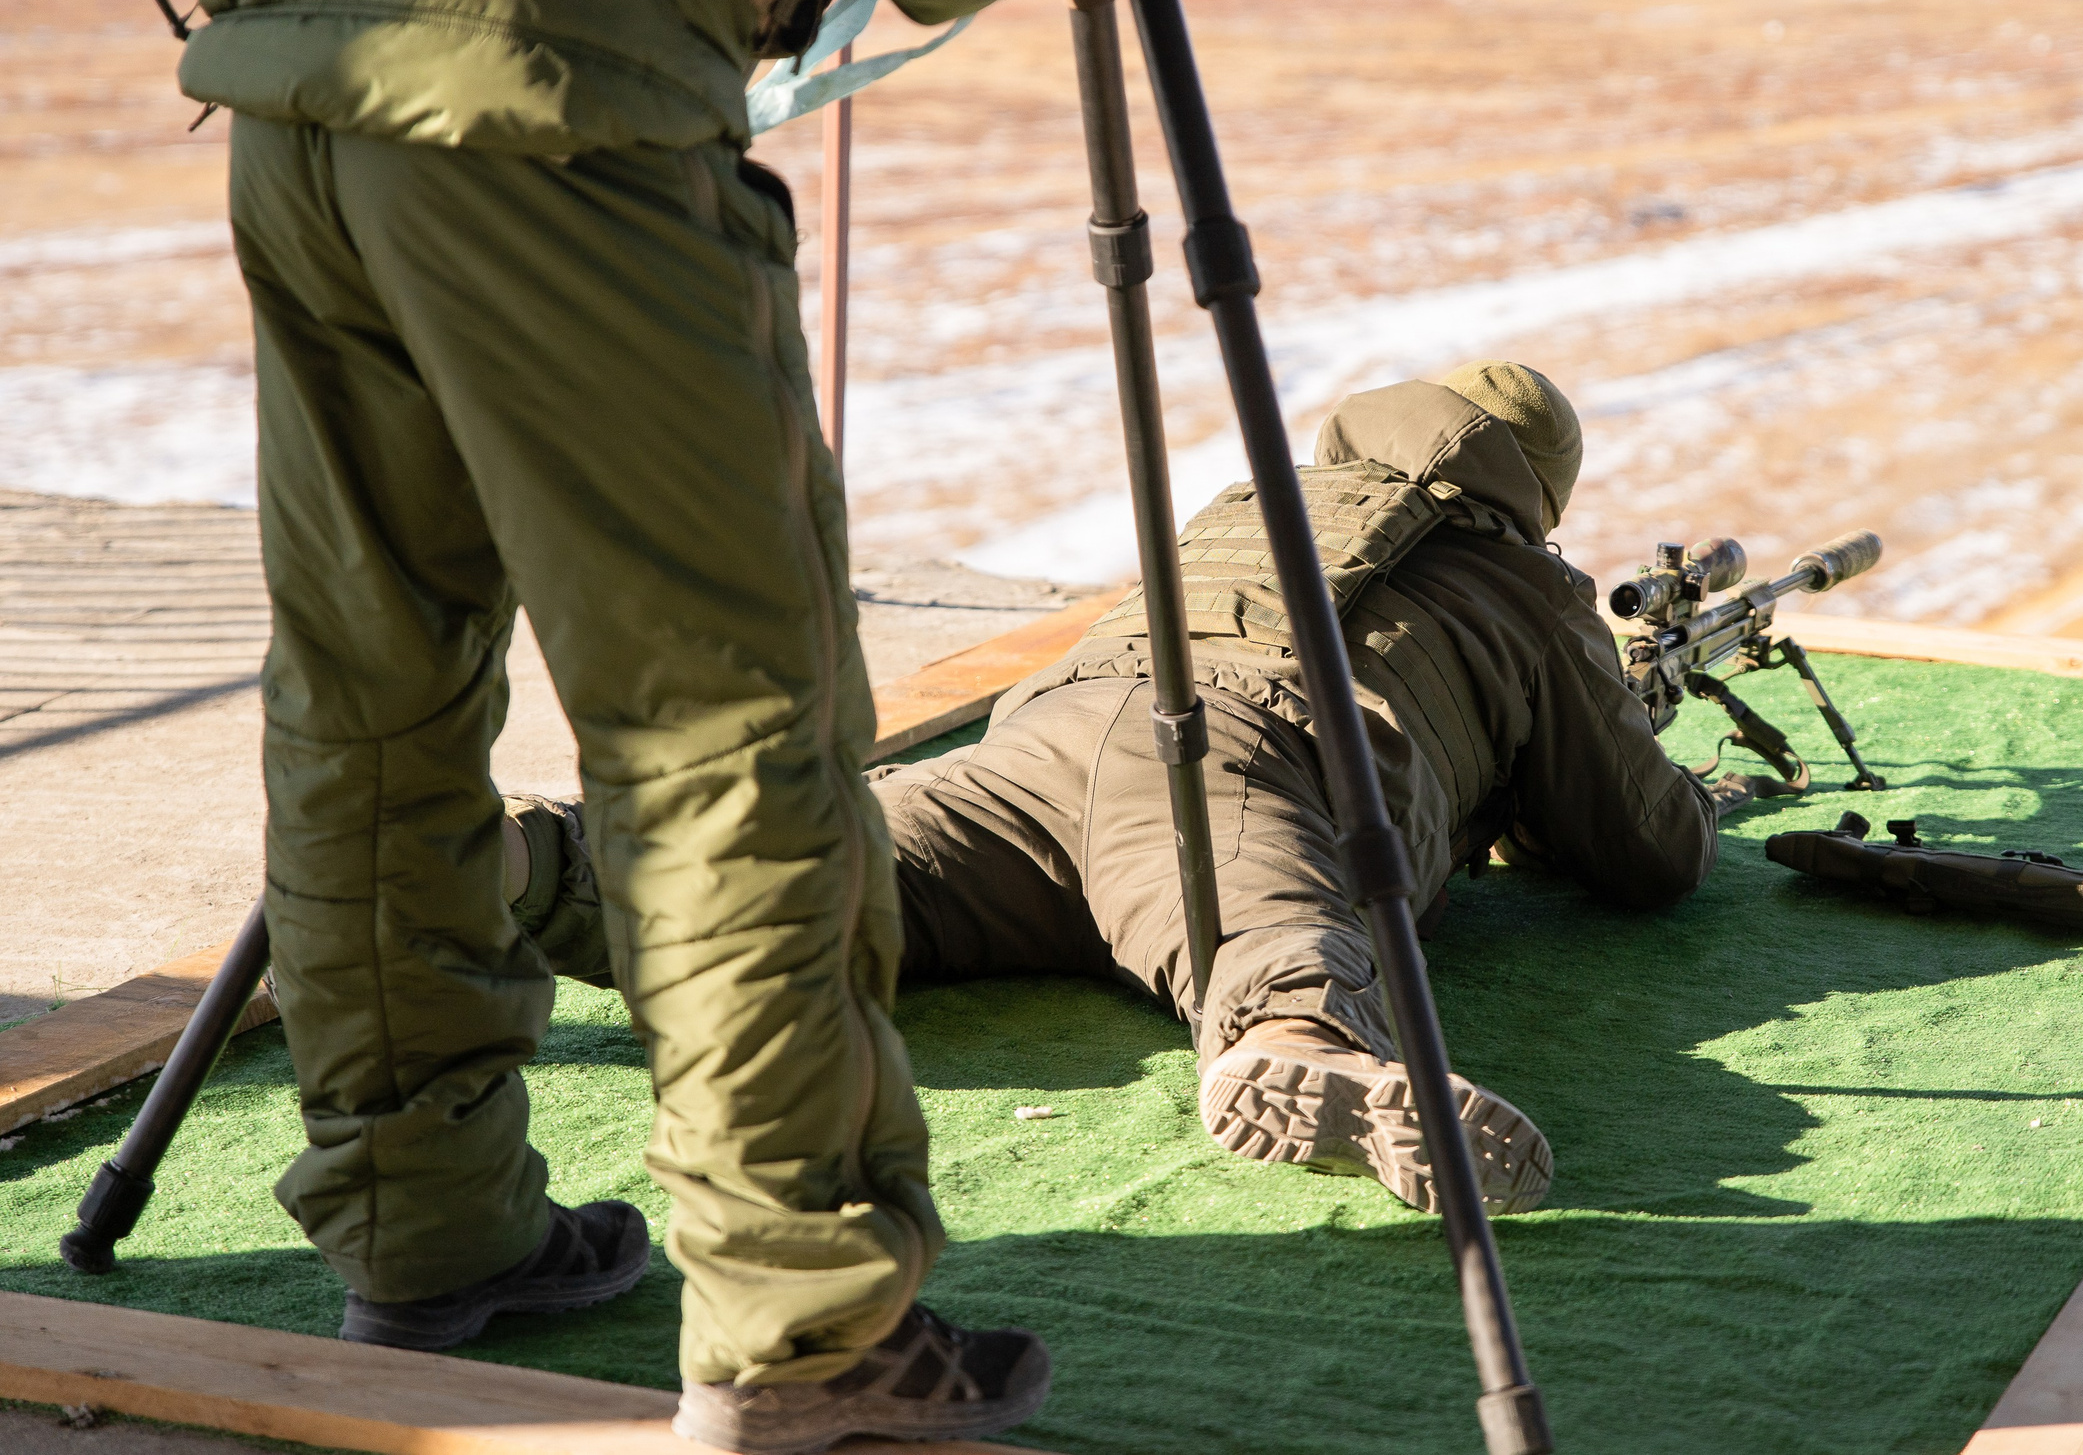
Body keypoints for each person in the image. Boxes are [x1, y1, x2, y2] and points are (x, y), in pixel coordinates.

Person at [175, 0, 1064, 1445]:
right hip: (553, 75)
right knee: (724, 717)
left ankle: (427, 1226)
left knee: (373, 695)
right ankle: (806, 1328)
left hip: (301, 52)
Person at [507, 363, 1721, 1216]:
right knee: (1265, 927)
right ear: (1534, 498)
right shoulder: (1523, 586)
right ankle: (1306, 1049)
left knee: (776, 871)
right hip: (1233, 753)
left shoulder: (1251, 501)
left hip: (1042, 737)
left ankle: (484, 870)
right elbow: (1640, 847)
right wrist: (1683, 794)